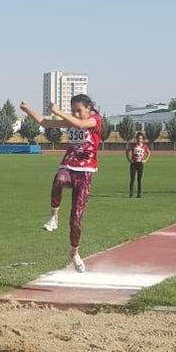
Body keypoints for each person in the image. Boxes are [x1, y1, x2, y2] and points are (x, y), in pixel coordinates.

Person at [20, 95, 103, 273]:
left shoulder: (95, 120)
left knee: (76, 218)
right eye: (73, 111)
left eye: (78, 110)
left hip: (85, 172)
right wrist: (28, 110)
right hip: (69, 165)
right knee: (59, 179)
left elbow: (81, 124)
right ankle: (54, 217)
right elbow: (44, 122)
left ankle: (74, 252)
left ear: (89, 109)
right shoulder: (72, 121)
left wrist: (59, 112)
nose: (75, 114)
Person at [126, 131, 150, 197]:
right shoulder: (133, 146)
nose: (139, 140)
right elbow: (127, 151)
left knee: (139, 180)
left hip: (140, 164)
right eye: (138, 138)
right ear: (136, 139)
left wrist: (145, 160)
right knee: (132, 179)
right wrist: (129, 159)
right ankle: (131, 193)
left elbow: (149, 153)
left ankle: (139, 193)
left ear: (142, 139)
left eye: (141, 138)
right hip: (133, 164)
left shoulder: (144, 146)